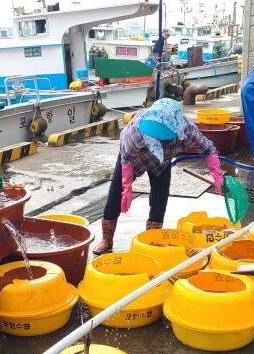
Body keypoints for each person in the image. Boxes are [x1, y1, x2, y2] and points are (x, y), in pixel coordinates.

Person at [92, 98, 223, 255]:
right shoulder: (137, 130)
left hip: (162, 162)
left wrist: (216, 174)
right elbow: (126, 158)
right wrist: (126, 188)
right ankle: (107, 240)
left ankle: (152, 240)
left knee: (159, 200)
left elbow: (208, 149)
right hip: (135, 160)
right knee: (115, 196)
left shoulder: (187, 131)